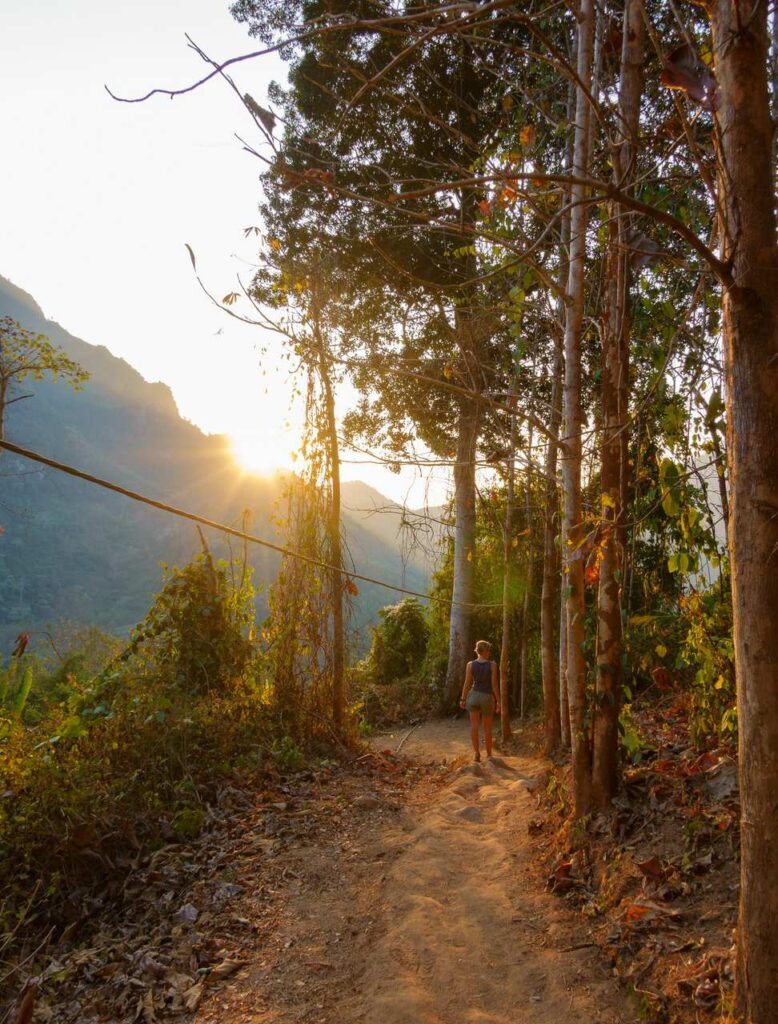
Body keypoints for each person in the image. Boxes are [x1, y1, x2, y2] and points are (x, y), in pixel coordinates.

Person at [459, 640, 500, 762]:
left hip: (474, 696)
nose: (489, 653)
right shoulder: (492, 665)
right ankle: (489, 755)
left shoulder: (470, 664)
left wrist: (463, 698)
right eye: (488, 651)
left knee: (474, 726)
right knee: (487, 728)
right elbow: (494, 685)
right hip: (487, 697)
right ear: (485, 651)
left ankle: (476, 753)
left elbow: (467, 683)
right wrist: (499, 701)